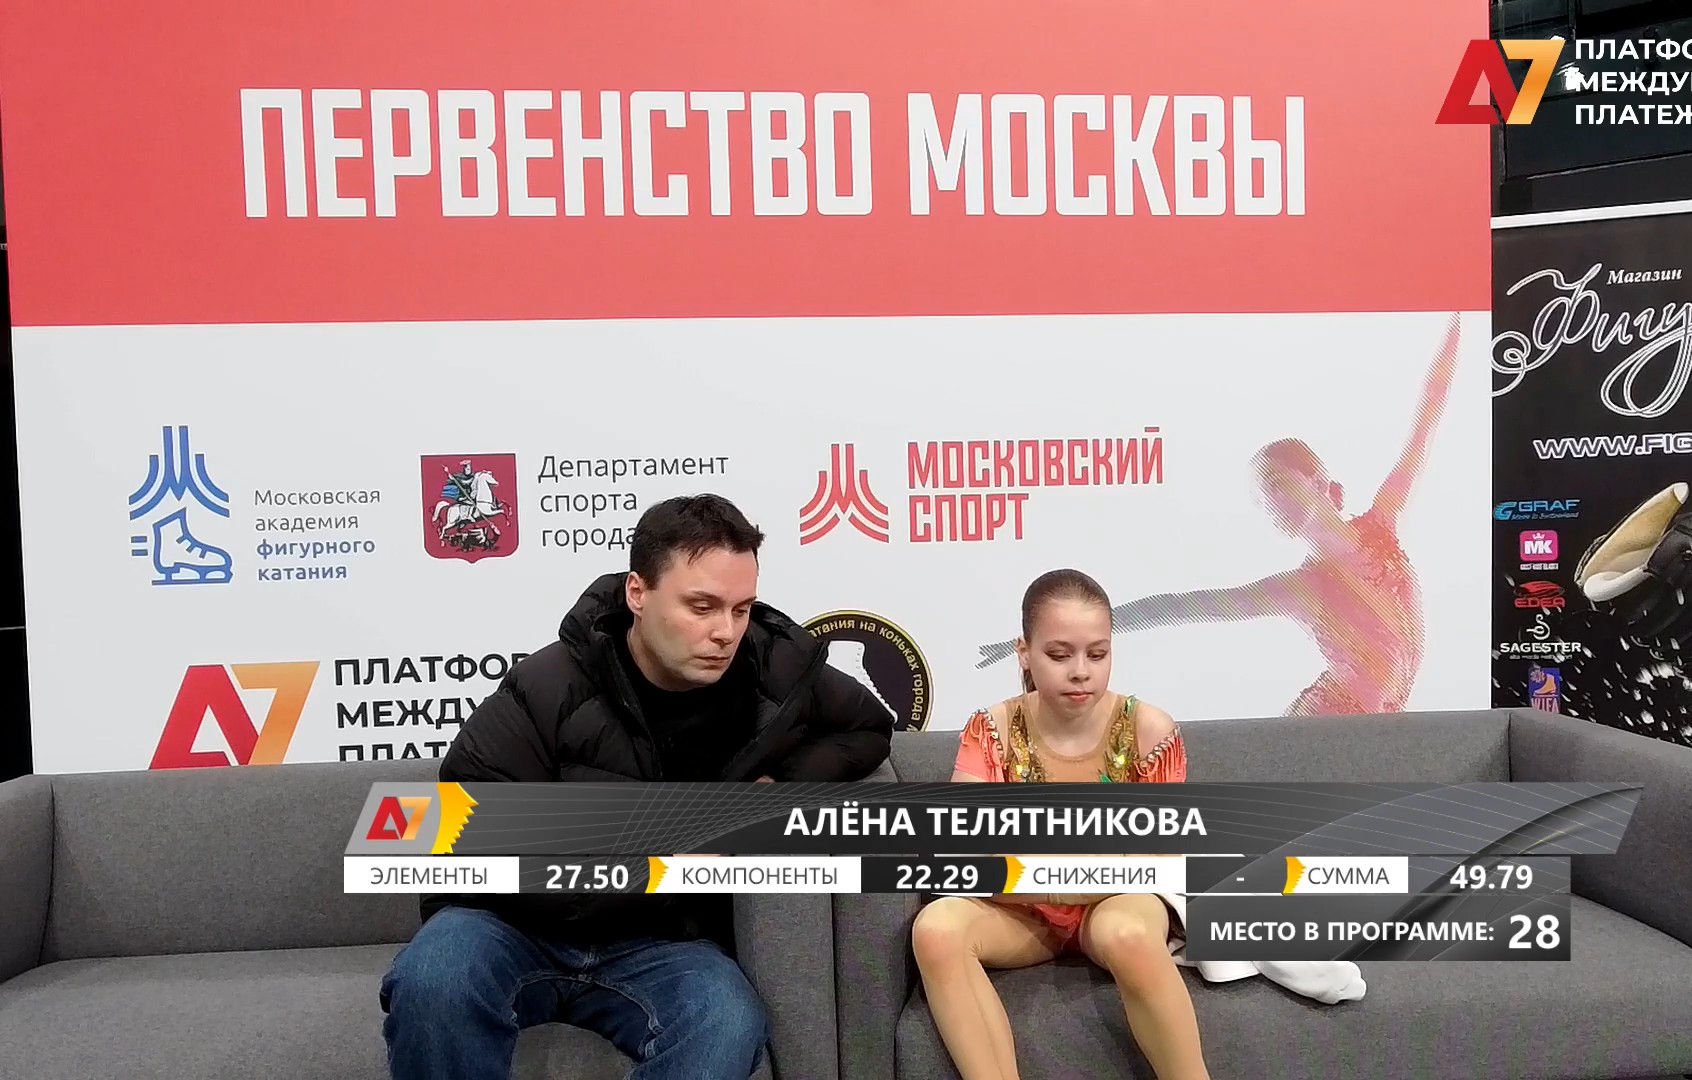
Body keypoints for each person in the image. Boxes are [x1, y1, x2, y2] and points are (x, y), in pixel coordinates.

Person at [380, 494, 897, 1080]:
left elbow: (869, 726)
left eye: (741, 608)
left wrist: (772, 789)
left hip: (663, 942)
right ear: (637, 593)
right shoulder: (545, 687)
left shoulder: (771, 668)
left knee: (726, 1022)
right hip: (512, 928)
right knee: (437, 974)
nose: (725, 632)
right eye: (701, 606)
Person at [977, 314, 1461, 717]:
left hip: (1375, 724)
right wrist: (1049, 636)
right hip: (1327, 722)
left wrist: (1458, 311)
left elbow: (1429, 411)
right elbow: (1177, 607)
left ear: (1318, 481)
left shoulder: (1382, 524)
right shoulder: (1302, 589)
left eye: (1274, 485)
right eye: (1261, 500)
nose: (1269, 505)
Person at [915, 569, 1208, 1080]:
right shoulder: (992, 729)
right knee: (935, 930)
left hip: (1114, 904)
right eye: (1059, 654)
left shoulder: (1148, 729)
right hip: (1025, 913)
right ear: (1024, 652)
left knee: (1129, 935)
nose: (1080, 672)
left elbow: (1161, 861)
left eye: (1097, 654)